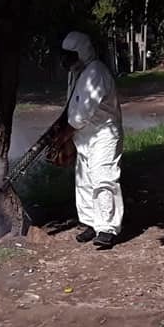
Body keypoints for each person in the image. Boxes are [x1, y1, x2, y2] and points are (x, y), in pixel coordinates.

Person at [51, 31, 124, 248]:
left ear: (82, 52)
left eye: (70, 55)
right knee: (84, 182)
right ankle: (91, 223)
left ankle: (107, 229)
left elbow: (83, 113)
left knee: (103, 178)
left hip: (103, 135)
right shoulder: (77, 73)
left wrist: (63, 135)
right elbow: (71, 108)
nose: (66, 60)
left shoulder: (96, 73)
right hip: (84, 135)